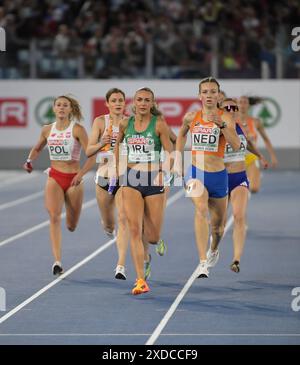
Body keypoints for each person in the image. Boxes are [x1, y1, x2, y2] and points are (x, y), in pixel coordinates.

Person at [174, 77, 240, 278]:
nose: (209, 95)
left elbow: (236, 145)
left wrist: (222, 126)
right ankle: (202, 262)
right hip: (196, 172)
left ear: (218, 95)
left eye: (213, 92)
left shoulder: (226, 118)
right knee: (201, 209)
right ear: (199, 95)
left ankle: (213, 249)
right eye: (205, 92)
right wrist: (178, 159)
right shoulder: (191, 117)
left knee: (218, 228)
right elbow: (181, 135)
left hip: (219, 176)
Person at [23, 95, 94, 275]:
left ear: (71, 109)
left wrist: (81, 174)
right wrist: (29, 160)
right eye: (59, 105)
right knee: (54, 217)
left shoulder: (77, 129)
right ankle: (57, 261)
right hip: (54, 176)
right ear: (54, 109)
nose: (62, 108)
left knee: (71, 225)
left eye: (65, 105)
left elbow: (91, 155)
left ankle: (71, 224)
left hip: (73, 180)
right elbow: (38, 147)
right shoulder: (47, 129)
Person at [114, 87, 173, 295]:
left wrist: (165, 172)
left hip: (152, 178)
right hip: (131, 178)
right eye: (139, 99)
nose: (142, 103)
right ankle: (140, 280)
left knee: (153, 236)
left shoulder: (159, 124)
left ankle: (152, 249)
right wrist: (116, 168)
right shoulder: (124, 123)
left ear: (152, 103)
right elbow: (117, 145)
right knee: (134, 230)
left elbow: (170, 152)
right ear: (134, 102)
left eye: (147, 100)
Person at [86, 88, 129, 280]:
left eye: (121, 100)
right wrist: (101, 142)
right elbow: (88, 151)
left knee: (123, 218)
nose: (118, 103)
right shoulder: (100, 122)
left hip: (125, 176)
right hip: (103, 175)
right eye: (114, 100)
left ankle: (120, 265)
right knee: (110, 224)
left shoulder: (131, 122)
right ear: (107, 103)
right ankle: (107, 226)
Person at [222, 98, 268, 273]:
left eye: (234, 107)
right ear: (221, 110)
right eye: (228, 107)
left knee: (239, 216)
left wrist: (260, 156)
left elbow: (248, 143)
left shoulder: (241, 126)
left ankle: (236, 259)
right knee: (218, 224)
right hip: (220, 179)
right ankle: (213, 249)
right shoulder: (215, 129)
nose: (232, 109)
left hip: (239, 177)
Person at [237, 96, 278, 193]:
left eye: (245, 102)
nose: (242, 105)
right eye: (240, 102)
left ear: (249, 105)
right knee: (236, 189)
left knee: (254, 189)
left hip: (251, 157)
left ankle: (247, 182)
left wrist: (273, 156)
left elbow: (266, 139)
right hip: (236, 158)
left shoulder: (255, 122)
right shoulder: (232, 120)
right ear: (236, 105)